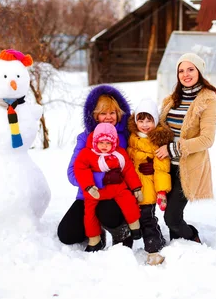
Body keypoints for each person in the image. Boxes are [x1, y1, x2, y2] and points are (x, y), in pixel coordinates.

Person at [57, 84, 136, 248]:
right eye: (103, 113)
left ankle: (121, 231)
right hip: (88, 194)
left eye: (112, 112)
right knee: (67, 234)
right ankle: (96, 234)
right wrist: (101, 178)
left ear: (119, 113)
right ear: (94, 116)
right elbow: (72, 173)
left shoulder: (128, 137)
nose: (108, 117)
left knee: (108, 213)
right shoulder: (84, 138)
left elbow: (133, 168)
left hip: (116, 195)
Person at [155, 53, 216, 243]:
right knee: (171, 215)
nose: (185, 74)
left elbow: (207, 139)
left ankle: (192, 237)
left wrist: (173, 149)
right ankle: (180, 247)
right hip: (166, 167)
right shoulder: (170, 100)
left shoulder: (208, 100)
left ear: (199, 71)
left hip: (189, 167)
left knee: (172, 217)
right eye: (181, 70)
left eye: (190, 69)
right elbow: (161, 130)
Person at [74, 123, 143, 252]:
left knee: (129, 201)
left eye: (108, 143)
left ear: (114, 142)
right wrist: (89, 186)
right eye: (101, 142)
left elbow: (128, 171)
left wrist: (136, 188)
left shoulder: (120, 154)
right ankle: (94, 240)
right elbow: (80, 169)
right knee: (89, 213)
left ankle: (134, 226)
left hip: (117, 188)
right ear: (95, 141)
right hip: (96, 191)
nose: (104, 146)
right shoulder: (87, 154)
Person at [127, 98, 174, 265]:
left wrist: (161, 191)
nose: (145, 124)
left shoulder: (158, 140)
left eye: (149, 120)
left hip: (148, 186)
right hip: (131, 185)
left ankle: (153, 248)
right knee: (133, 217)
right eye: (141, 120)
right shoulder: (131, 136)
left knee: (147, 218)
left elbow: (162, 168)